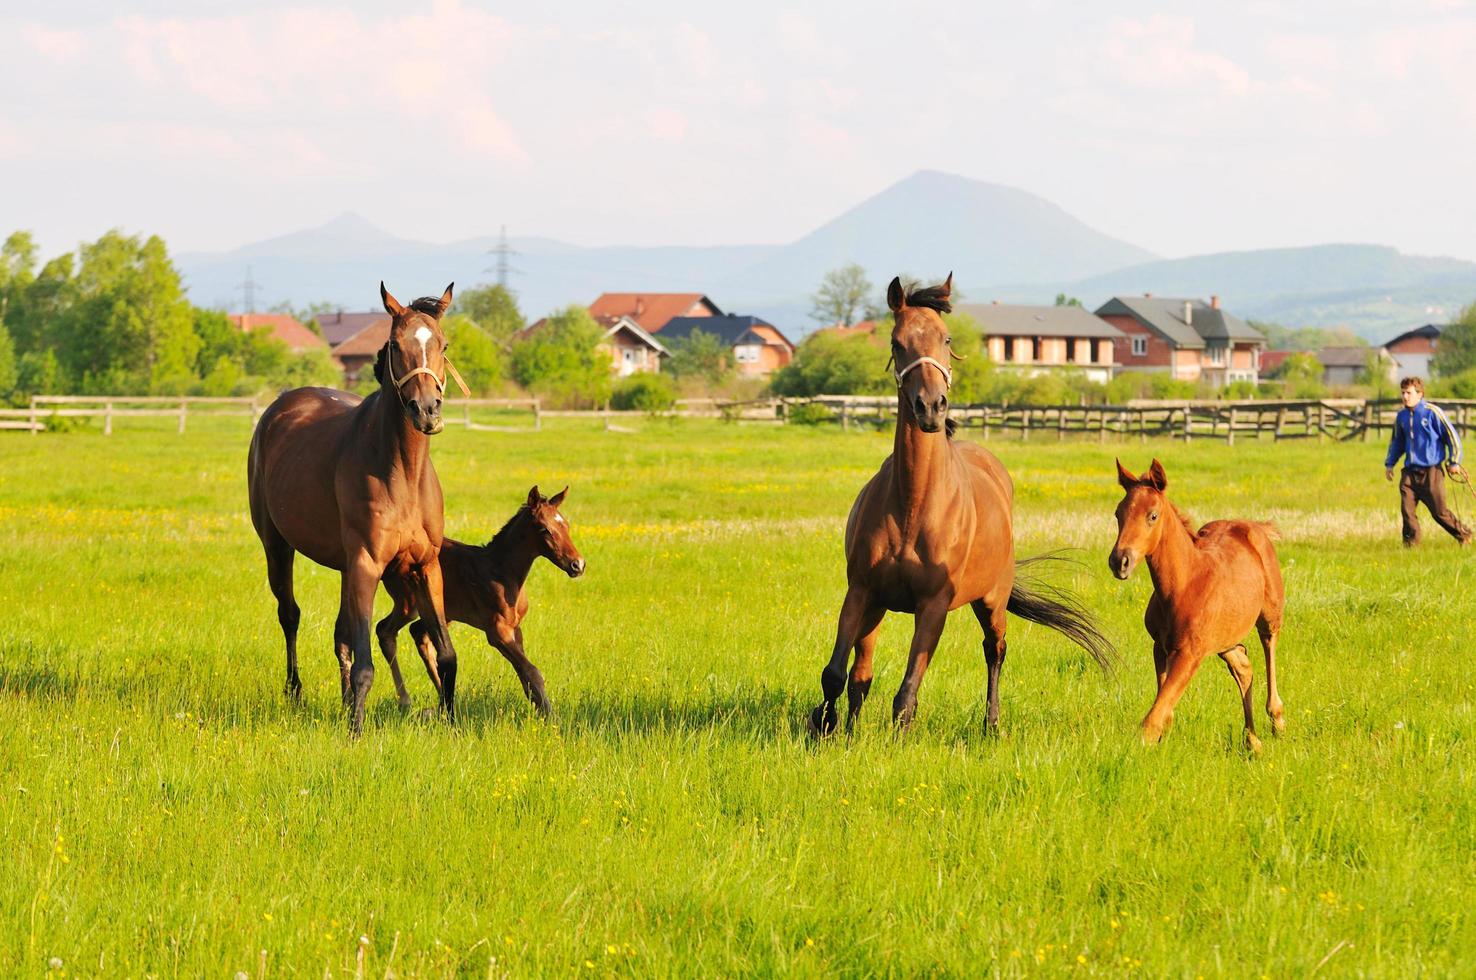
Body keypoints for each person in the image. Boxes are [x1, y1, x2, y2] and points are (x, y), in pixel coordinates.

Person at [1384, 376, 1471, 546]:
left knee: (1439, 512)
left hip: (1432, 471)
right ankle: (1410, 546)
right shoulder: (1401, 416)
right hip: (1409, 472)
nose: (1405, 397)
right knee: (1407, 510)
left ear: (1420, 394)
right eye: (1403, 393)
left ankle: (1464, 535)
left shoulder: (1433, 413)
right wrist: (1390, 464)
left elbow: (1452, 437)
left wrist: (1454, 461)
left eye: (1409, 393)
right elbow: (1397, 442)